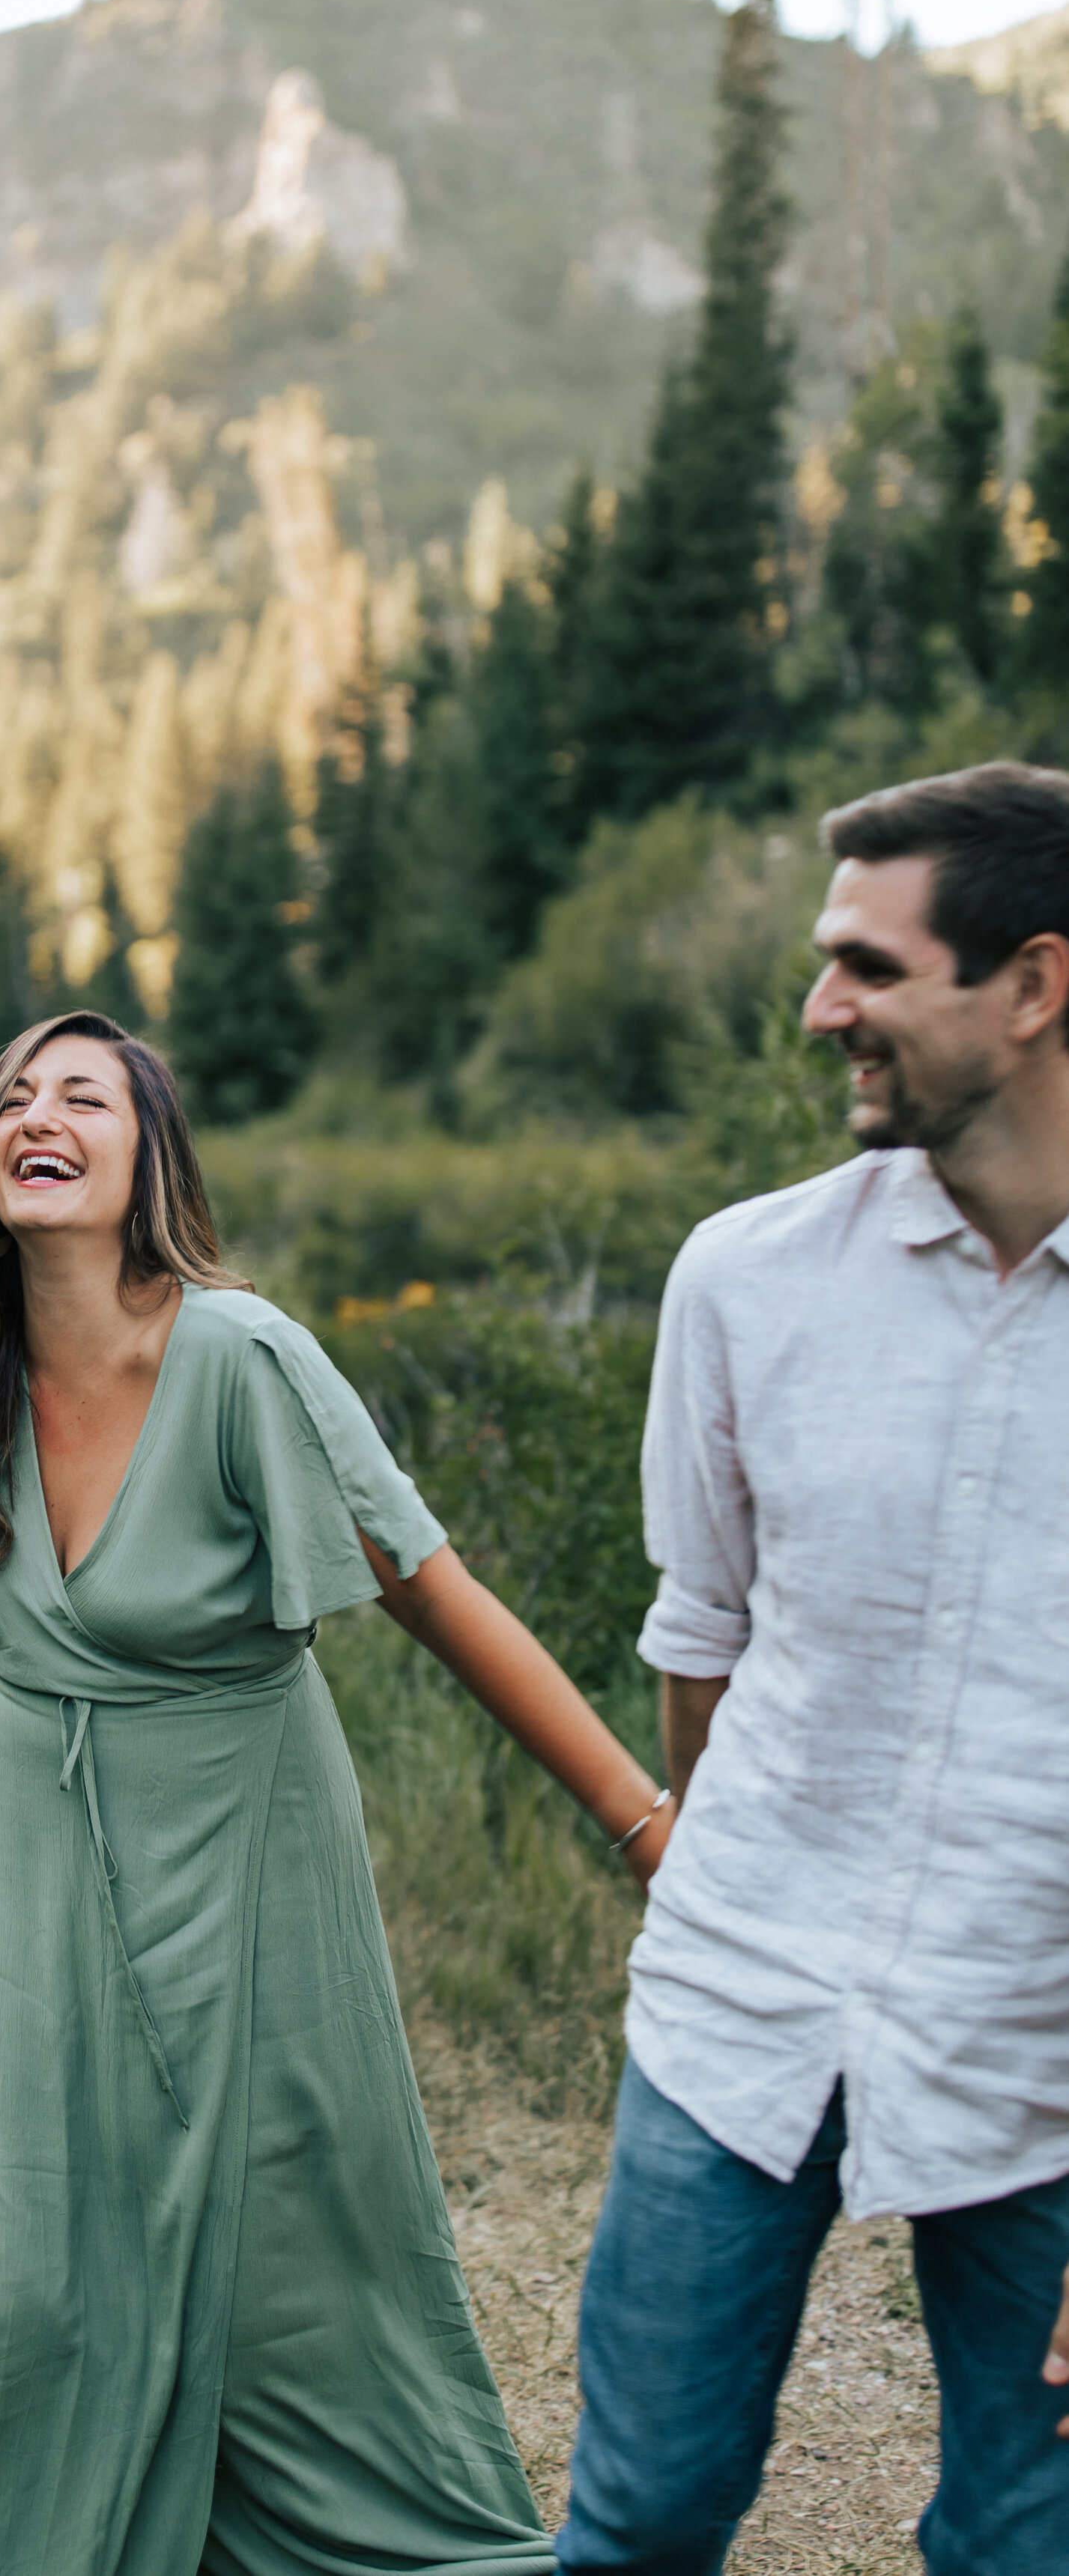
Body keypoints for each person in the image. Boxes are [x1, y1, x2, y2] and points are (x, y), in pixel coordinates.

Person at [0, 1009, 672, 2576]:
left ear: (143, 1155)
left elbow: (433, 1591)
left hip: (239, 1837)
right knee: (20, 2234)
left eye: (83, 1096)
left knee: (289, 2230)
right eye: (12, 1098)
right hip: (31, 1842)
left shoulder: (239, 1355)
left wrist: (641, 1820)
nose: (39, 1114)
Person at [557, 762, 1069, 2576]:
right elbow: (702, 1641)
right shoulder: (744, 1280)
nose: (816, 1010)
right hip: (739, 2008)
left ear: (1030, 984)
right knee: (637, 2521)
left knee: (1028, 2544)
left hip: (1043, 2057)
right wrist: (700, 1876)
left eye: (865, 965)